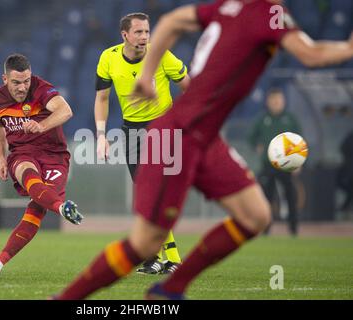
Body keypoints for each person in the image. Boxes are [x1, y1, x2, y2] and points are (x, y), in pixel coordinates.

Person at [55, 0, 353, 300]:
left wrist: (146, 76)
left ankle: (169, 289)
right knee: (146, 243)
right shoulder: (268, 12)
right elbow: (310, 54)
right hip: (180, 134)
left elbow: (172, 20)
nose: (144, 36)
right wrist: (348, 49)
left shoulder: (229, 6)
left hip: (203, 135)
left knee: (256, 216)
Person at [95, 12, 191, 274]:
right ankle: (155, 258)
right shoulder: (108, 58)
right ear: (124, 35)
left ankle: (171, 258)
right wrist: (102, 137)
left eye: (147, 32)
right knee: (146, 198)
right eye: (138, 32)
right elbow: (102, 99)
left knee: (157, 193)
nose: (144, 37)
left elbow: (189, 87)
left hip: (163, 128)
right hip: (131, 132)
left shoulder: (162, 54)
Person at [0, 54, 83, 279]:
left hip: (54, 156)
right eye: (16, 82)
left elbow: (66, 111)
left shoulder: (41, 89)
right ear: (5, 79)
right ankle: (61, 208)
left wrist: (42, 125)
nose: (23, 87)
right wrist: (1, 159)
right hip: (22, 153)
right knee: (27, 172)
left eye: (26, 81)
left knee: (37, 209)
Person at [249, 88, 302, 235]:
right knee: (266, 197)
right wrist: (256, 145)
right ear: (268, 102)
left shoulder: (290, 119)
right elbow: (251, 137)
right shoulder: (262, 119)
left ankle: (293, 228)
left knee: (291, 195)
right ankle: (266, 229)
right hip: (268, 164)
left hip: (287, 165)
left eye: (279, 100)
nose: (276, 103)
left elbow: (300, 141)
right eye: (273, 100)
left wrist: (298, 163)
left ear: (283, 101)